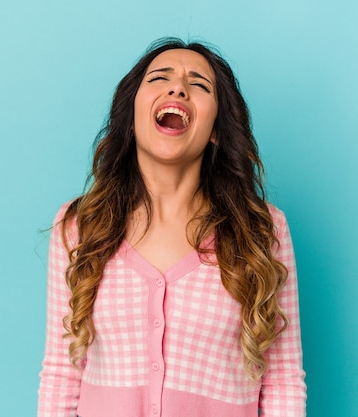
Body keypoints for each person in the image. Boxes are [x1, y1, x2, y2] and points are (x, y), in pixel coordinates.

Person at [37, 37, 306, 417]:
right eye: (160, 78)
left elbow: (282, 382)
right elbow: (62, 375)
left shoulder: (263, 230)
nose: (178, 87)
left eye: (198, 84)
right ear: (132, 115)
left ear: (215, 129)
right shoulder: (81, 226)